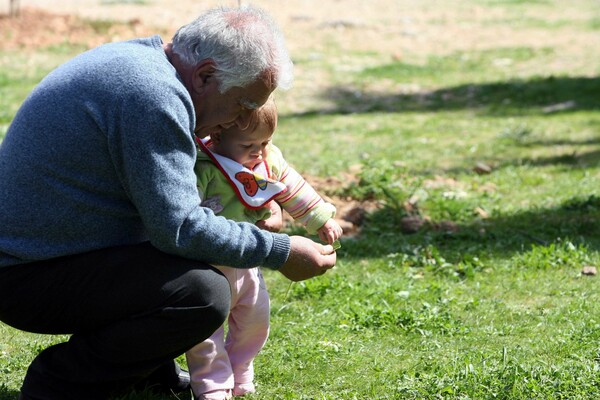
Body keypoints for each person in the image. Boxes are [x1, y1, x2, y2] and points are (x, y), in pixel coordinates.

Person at [0, 5, 337, 400]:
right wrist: (280, 251)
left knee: (190, 263)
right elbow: (180, 228)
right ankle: (60, 384)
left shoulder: (147, 67)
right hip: (26, 275)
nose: (239, 121)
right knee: (202, 294)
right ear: (206, 75)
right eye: (244, 104)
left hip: (47, 257)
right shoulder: (153, 96)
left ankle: (149, 374)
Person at [186, 97, 343, 400]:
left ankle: (240, 368)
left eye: (266, 142)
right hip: (206, 266)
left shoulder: (265, 161)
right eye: (248, 145)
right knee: (205, 333)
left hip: (248, 261)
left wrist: (320, 218)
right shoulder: (202, 167)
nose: (258, 151)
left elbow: (293, 186)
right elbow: (188, 214)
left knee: (254, 320)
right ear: (217, 136)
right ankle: (213, 386)